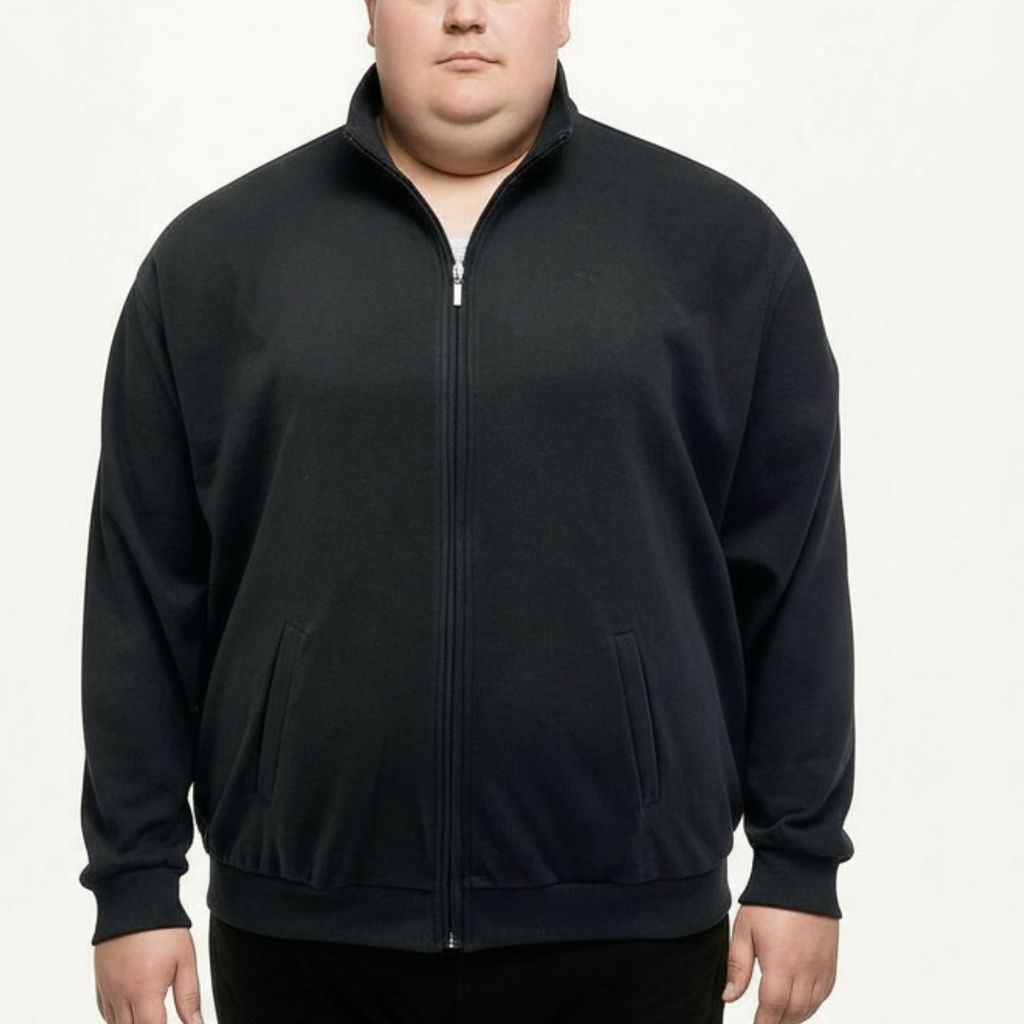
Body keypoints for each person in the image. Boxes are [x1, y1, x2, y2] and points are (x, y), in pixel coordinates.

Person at [78, 1, 856, 1022]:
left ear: (563, 12)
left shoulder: (717, 247)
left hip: (631, 927)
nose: (464, 14)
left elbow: (791, 574)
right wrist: (136, 883)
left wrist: (798, 861)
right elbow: (143, 589)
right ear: (368, 12)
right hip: (303, 930)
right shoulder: (217, 259)